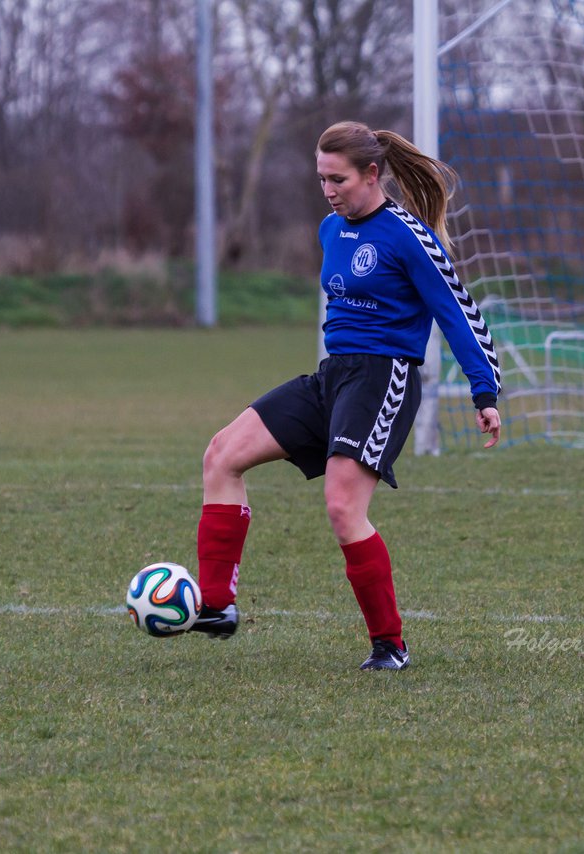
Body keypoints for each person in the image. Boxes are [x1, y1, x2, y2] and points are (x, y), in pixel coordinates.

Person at [186, 120, 502, 670]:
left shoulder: (408, 234)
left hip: (385, 379)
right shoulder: (331, 230)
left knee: (342, 507)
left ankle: (390, 645)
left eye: (338, 179)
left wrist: (485, 391)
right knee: (221, 455)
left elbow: (457, 312)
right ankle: (216, 607)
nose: (329, 190)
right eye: (321, 179)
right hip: (333, 377)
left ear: (372, 174)